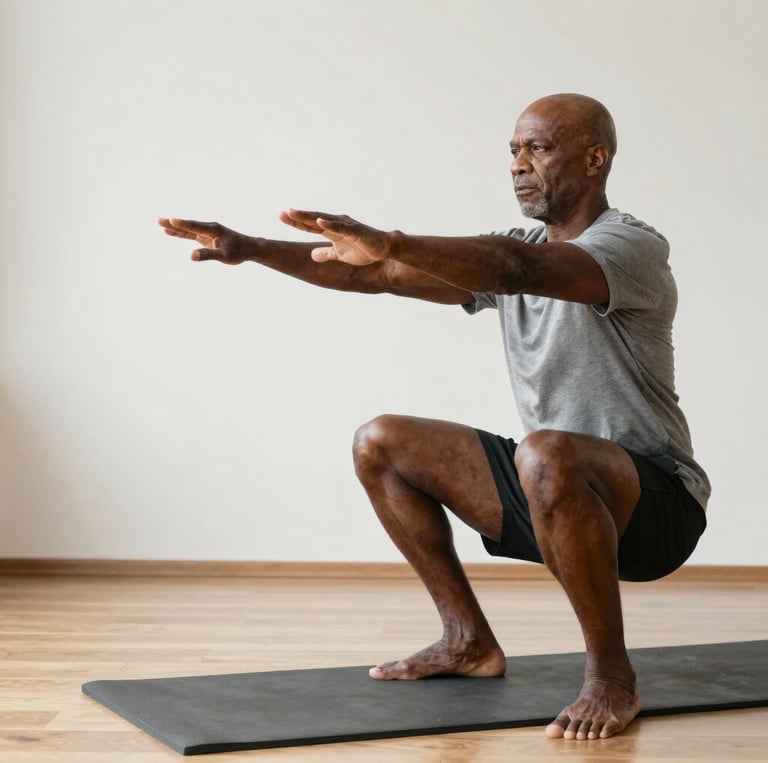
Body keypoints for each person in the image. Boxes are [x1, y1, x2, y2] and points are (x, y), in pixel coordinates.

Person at [158, 93, 710, 741]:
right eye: (512, 150)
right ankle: (467, 639)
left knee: (545, 451)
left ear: (595, 159)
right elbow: (378, 275)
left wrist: (392, 237)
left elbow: (517, 269)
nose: (518, 165)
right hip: (551, 488)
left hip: (654, 505)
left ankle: (611, 678)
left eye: (538, 147)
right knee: (382, 441)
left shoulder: (627, 246)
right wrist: (249, 246)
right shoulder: (515, 247)